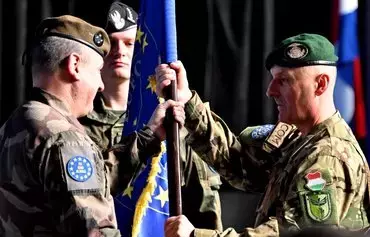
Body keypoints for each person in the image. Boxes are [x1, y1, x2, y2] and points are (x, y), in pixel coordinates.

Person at [155, 33, 370, 236]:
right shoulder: (298, 138)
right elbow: (238, 163)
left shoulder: (327, 158)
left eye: (284, 80)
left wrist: (195, 235)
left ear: (320, 84)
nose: (270, 91)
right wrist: (188, 102)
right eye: (273, 79)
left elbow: (292, 235)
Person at [0, 15, 184, 236]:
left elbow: (83, 183)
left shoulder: (17, 122)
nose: (100, 85)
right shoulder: (64, 138)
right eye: (97, 71)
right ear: (74, 65)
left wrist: (148, 137)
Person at [79, 1, 224, 231]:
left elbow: (204, 201)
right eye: (112, 44)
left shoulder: (174, 121)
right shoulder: (77, 125)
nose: (120, 52)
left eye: (129, 43)